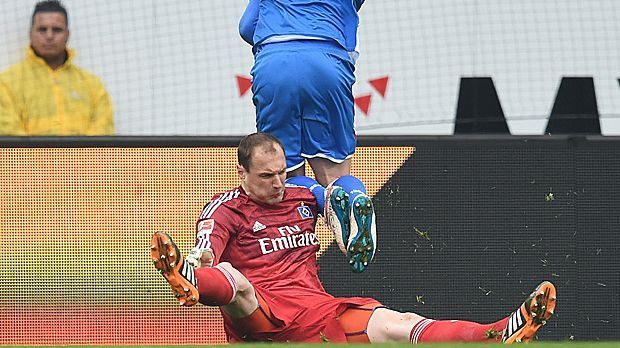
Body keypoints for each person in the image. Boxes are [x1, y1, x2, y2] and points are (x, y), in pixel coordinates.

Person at [150, 132, 557, 344]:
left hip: (315, 312)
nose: (278, 182)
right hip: (261, 320)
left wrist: (347, 217)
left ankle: (499, 332)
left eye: (281, 172)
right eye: (266, 176)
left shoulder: (304, 192)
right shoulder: (225, 209)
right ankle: (187, 280)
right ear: (242, 174)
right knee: (229, 276)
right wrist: (198, 261)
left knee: (402, 323)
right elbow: (207, 246)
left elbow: (339, 209)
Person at [238, 0, 375, 273]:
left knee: (283, 174)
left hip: (275, 62)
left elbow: (246, 27)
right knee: (336, 173)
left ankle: (318, 217)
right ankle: (350, 197)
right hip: (327, 64)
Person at [0, 0, 114, 136]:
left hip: (81, 158)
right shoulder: (7, 83)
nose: (49, 36)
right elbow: (10, 135)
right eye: (42, 29)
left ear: (67, 35)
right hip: (30, 158)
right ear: (30, 34)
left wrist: (73, 157)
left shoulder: (93, 85)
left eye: (57, 29)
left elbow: (103, 133)